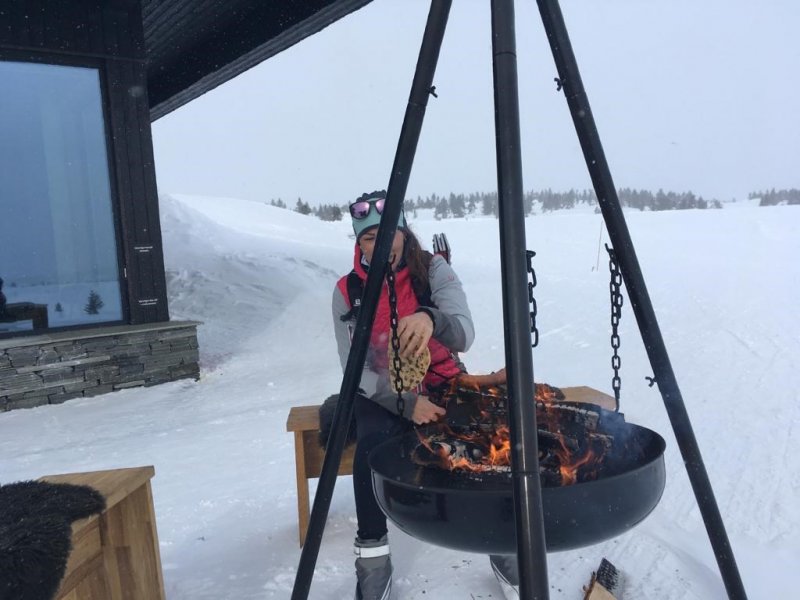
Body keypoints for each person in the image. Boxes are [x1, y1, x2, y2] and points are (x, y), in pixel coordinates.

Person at [331, 190, 520, 600]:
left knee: (485, 440)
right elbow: (354, 368)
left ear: (403, 232)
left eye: (387, 233)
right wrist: (401, 403)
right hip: (383, 390)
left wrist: (430, 319)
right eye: (367, 238)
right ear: (358, 244)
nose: (379, 244)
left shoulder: (433, 271)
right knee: (373, 447)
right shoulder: (348, 291)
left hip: (443, 379)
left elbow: (465, 333)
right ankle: (373, 557)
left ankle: (501, 538)